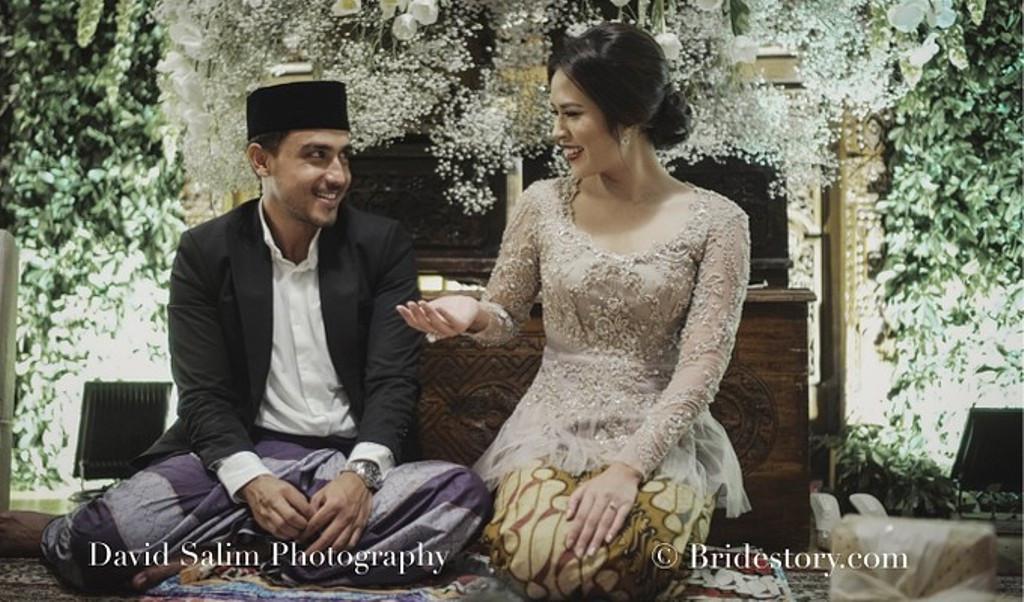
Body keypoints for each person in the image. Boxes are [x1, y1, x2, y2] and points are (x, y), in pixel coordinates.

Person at [0, 80, 491, 592]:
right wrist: (253, 482)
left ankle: (229, 560)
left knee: (461, 497)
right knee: (94, 544)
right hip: (242, 458)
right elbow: (204, 394)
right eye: (317, 156)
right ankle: (278, 555)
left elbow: (393, 380)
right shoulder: (206, 252)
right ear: (261, 161)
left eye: (344, 156)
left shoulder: (382, 245)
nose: (338, 176)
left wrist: (360, 478)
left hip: (349, 462)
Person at [397, 23, 751, 600]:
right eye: (556, 114)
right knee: (538, 559)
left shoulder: (720, 222)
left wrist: (628, 469)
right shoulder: (542, 203)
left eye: (572, 115)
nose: (557, 132)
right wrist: (471, 312)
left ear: (627, 116)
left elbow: (702, 366)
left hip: (657, 437)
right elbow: (505, 315)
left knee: (619, 563)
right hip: (550, 427)